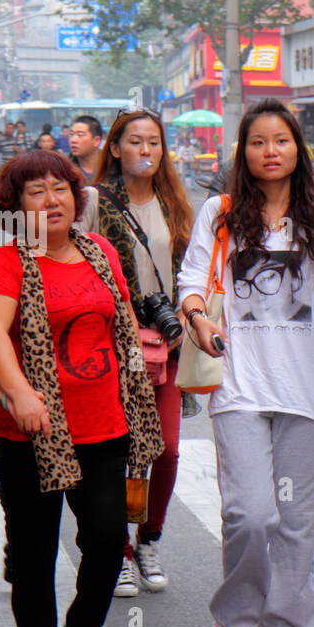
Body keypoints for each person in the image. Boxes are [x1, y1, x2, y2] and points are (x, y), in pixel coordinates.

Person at [178, 98, 314, 627]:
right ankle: (237, 613)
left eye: (281, 140)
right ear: (243, 151)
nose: (270, 151)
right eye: (258, 141)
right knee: (250, 514)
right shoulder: (220, 213)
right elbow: (192, 279)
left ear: (297, 149)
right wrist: (199, 317)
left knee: (297, 523)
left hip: (304, 390)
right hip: (238, 385)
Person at [0, 151, 163, 627]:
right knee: (33, 550)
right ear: (15, 204)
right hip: (30, 433)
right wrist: (20, 394)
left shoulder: (99, 250)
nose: (52, 199)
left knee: (106, 540)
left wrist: (136, 367)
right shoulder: (5, 263)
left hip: (104, 423)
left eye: (60, 188)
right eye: (37, 191)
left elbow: (121, 313)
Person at [93, 109, 194, 596]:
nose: (146, 151)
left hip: (168, 345)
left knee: (169, 449)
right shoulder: (95, 201)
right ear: (115, 148)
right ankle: (121, 552)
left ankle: (149, 537)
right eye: (135, 142)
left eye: (154, 142)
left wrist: (186, 317)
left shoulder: (174, 202)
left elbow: (194, 271)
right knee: (123, 451)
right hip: (116, 347)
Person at [68, 115, 103, 183]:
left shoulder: (112, 167)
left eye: (80, 135)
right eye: (71, 134)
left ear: (96, 141)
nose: (73, 140)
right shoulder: (64, 167)